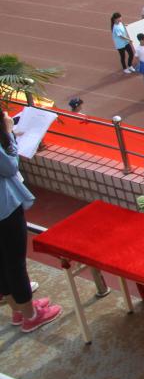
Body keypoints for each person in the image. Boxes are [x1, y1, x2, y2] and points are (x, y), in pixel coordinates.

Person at [1, 110, 63, 333]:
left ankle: (19, 310)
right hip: (4, 209)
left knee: (2, 262)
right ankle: (31, 316)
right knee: (14, 263)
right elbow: (9, 166)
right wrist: (9, 134)